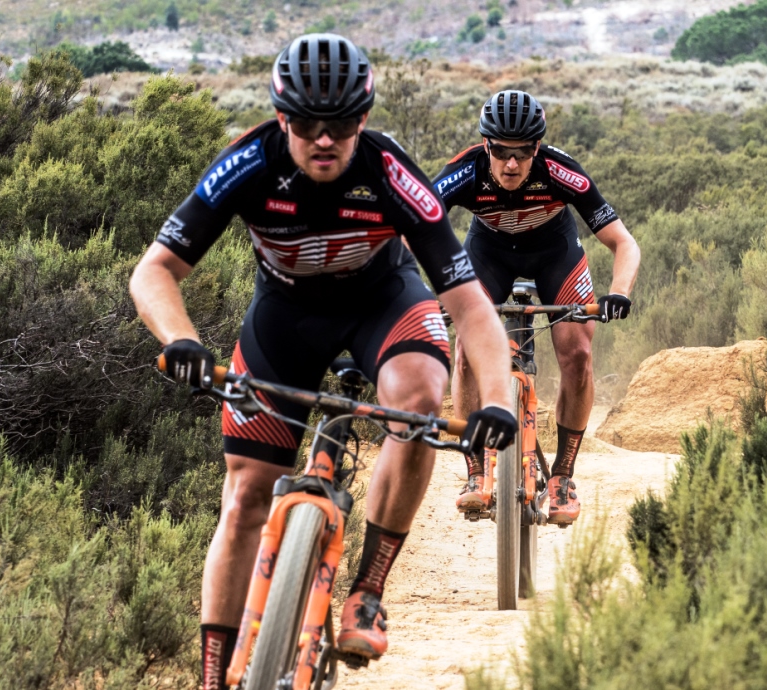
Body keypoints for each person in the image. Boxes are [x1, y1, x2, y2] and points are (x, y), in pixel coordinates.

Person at [128, 34, 516, 690]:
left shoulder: (389, 171)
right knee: (245, 496)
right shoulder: (248, 162)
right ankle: (213, 677)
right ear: (282, 118)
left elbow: (472, 308)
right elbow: (154, 271)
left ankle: (367, 591)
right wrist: (181, 339)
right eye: (307, 124)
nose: (325, 139)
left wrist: (498, 399)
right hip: (285, 320)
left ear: (363, 119)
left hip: (382, 305)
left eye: (341, 124)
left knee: (418, 401)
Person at [433, 89, 640, 526]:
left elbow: (624, 243)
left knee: (578, 353)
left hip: (554, 255)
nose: (511, 164)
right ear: (486, 145)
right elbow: (414, 230)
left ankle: (562, 477)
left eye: (523, 153)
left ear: (537, 148)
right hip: (488, 254)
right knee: (467, 350)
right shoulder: (463, 172)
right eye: (501, 152)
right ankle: (476, 470)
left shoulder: (561, 172)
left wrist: (619, 292)